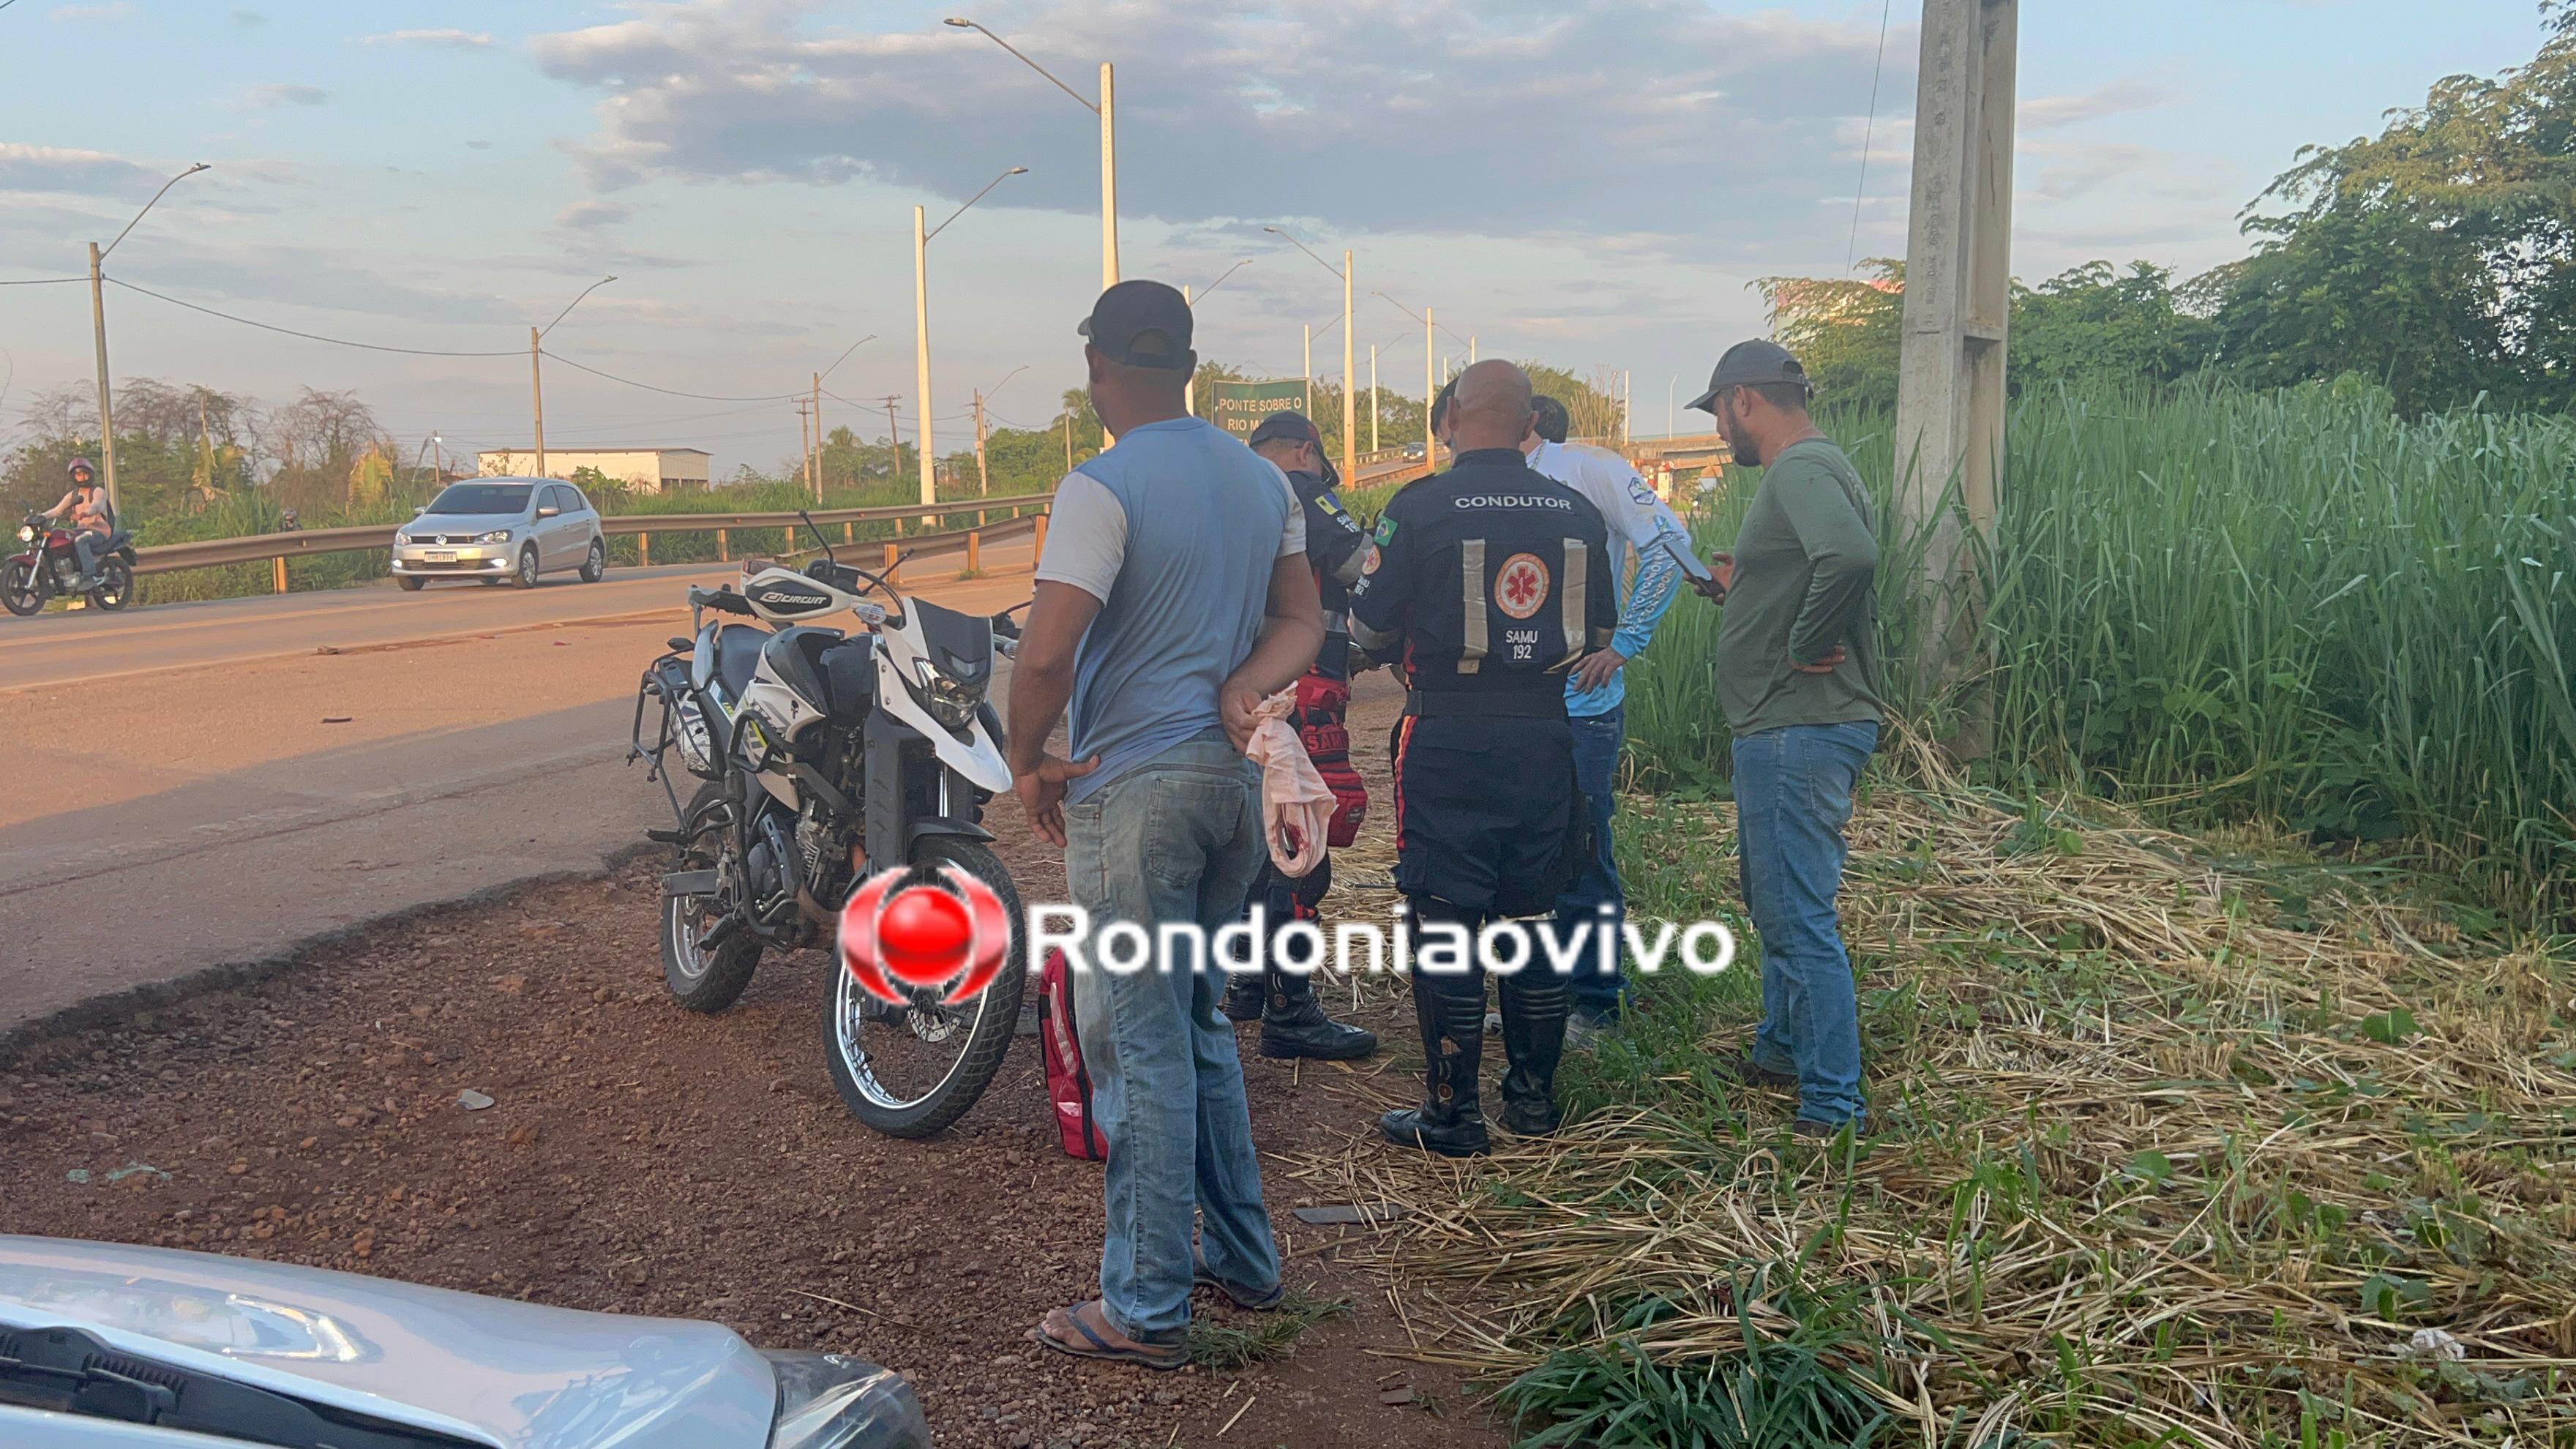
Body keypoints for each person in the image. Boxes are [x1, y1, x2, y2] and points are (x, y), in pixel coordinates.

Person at [1007, 280, 1327, 1367]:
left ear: (1098, 366)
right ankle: (1244, 1259)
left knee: (1139, 1042)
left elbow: (1048, 652)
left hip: (1135, 793)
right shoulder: (1257, 478)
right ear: (1188, 366)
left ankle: (1142, 1306)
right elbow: (1305, 618)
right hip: (1232, 788)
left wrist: (1024, 757)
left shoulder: (1102, 486)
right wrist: (1247, 682)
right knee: (1195, 1027)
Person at [1349, 361, 1615, 1157]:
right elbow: (1597, 634)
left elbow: (1365, 631)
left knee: (1444, 916)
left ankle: (1452, 1115)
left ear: (1456, 415)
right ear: (1529, 418)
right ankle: (1532, 1103)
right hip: (1543, 733)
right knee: (1534, 912)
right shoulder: (1576, 512)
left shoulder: (1419, 507)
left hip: (1446, 736)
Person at [1682, 340, 1885, 1140]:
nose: (1722, 430)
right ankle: (1778, 1047)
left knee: (1797, 912)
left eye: (1719, 412)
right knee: (1774, 895)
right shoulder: (1818, 467)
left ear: (1742, 399)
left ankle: (1834, 1104)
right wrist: (1748, 586)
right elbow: (1817, 561)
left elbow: (1850, 556)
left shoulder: (1797, 469)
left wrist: (1803, 641)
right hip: (1793, 722)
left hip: (1798, 722)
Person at [1521, 395, 1690, 1033]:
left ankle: (1597, 1001)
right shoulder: (1476, 484)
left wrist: (1624, 642)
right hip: (1509, 709)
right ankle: (1537, 995)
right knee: (1519, 857)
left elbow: (1671, 540)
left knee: (1582, 851)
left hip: (1580, 708)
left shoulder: (1590, 469)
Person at [1218, 410, 1377, 1060]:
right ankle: (1292, 1010)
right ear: (1306, 452)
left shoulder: (1229, 498)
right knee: (1302, 850)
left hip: (1246, 693)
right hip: (1301, 691)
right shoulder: (1301, 491)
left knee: (1259, 849)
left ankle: (1249, 988)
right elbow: (1370, 568)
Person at [42, 458, 116, 583]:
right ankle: (61, 575)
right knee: (57, 539)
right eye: (78, 474)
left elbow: (96, 506)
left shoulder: (98, 491)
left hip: (99, 531)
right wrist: (40, 517)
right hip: (81, 530)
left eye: (84, 474)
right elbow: (57, 511)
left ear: (90, 474)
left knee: (80, 541)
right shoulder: (73, 495)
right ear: (74, 477)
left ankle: (90, 576)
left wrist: (85, 513)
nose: (82, 477)